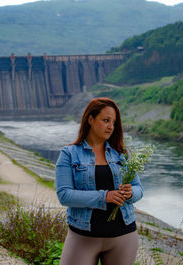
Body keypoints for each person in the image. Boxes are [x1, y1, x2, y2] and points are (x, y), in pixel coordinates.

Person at [55, 97, 143, 265]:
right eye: (106, 120)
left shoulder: (122, 154)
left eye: (114, 122)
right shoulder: (69, 154)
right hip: (83, 237)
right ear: (90, 119)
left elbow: (139, 188)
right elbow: (64, 195)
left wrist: (131, 193)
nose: (111, 126)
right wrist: (105, 197)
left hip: (123, 236)